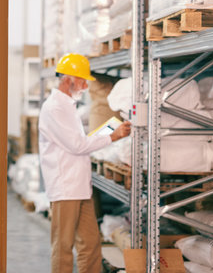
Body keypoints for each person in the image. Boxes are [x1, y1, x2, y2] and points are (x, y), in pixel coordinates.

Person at [39, 53, 131, 273]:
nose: (84, 86)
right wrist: (113, 136)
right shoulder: (55, 108)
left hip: (80, 186)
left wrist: (106, 133)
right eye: (81, 80)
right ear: (68, 79)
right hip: (65, 188)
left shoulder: (68, 106)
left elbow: (79, 142)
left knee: (89, 244)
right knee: (63, 246)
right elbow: (77, 145)